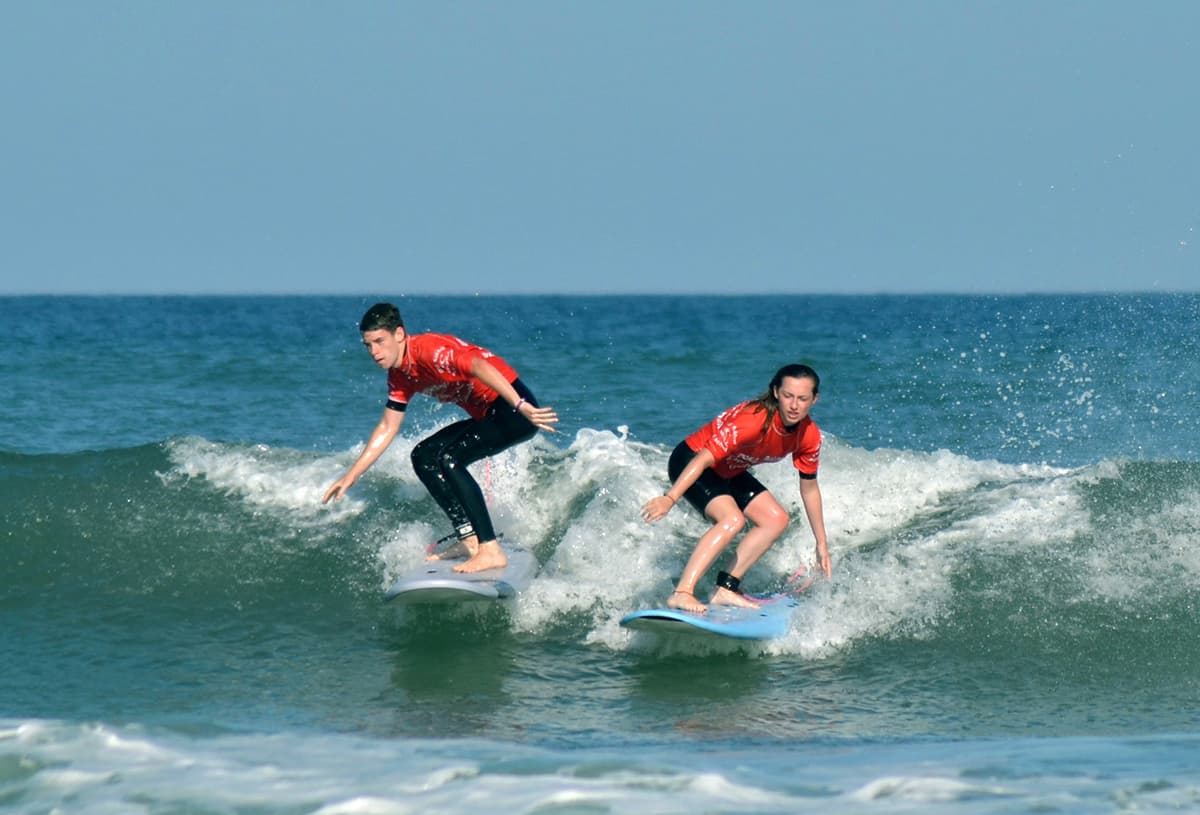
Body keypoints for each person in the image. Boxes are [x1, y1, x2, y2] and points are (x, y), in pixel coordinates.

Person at [323, 302, 558, 573]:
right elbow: (388, 425)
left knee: (450, 458)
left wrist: (520, 405)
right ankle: (469, 539)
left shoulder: (429, 352)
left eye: (379, 341)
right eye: (368, 345)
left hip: (514, 410)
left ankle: (490, 549)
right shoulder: (399, 374)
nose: (374, 352)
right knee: (423, 456)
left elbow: (479, 365)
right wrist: (352, 475)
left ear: (399, 334)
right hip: (493, 414)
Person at [641, 363, 831, 614]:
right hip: (692, 461)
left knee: (776, 519)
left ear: (814, 400)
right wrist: (670, 497)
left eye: (803, 398)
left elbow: (809, 489)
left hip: (729, 469)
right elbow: (703, 459)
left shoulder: (809, 436)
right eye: (788, 396)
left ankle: (725, 589)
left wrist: (821, 543)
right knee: (732, 520)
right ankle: (682, 593)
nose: (794, 405)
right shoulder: (753, 420)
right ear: (775, 392)